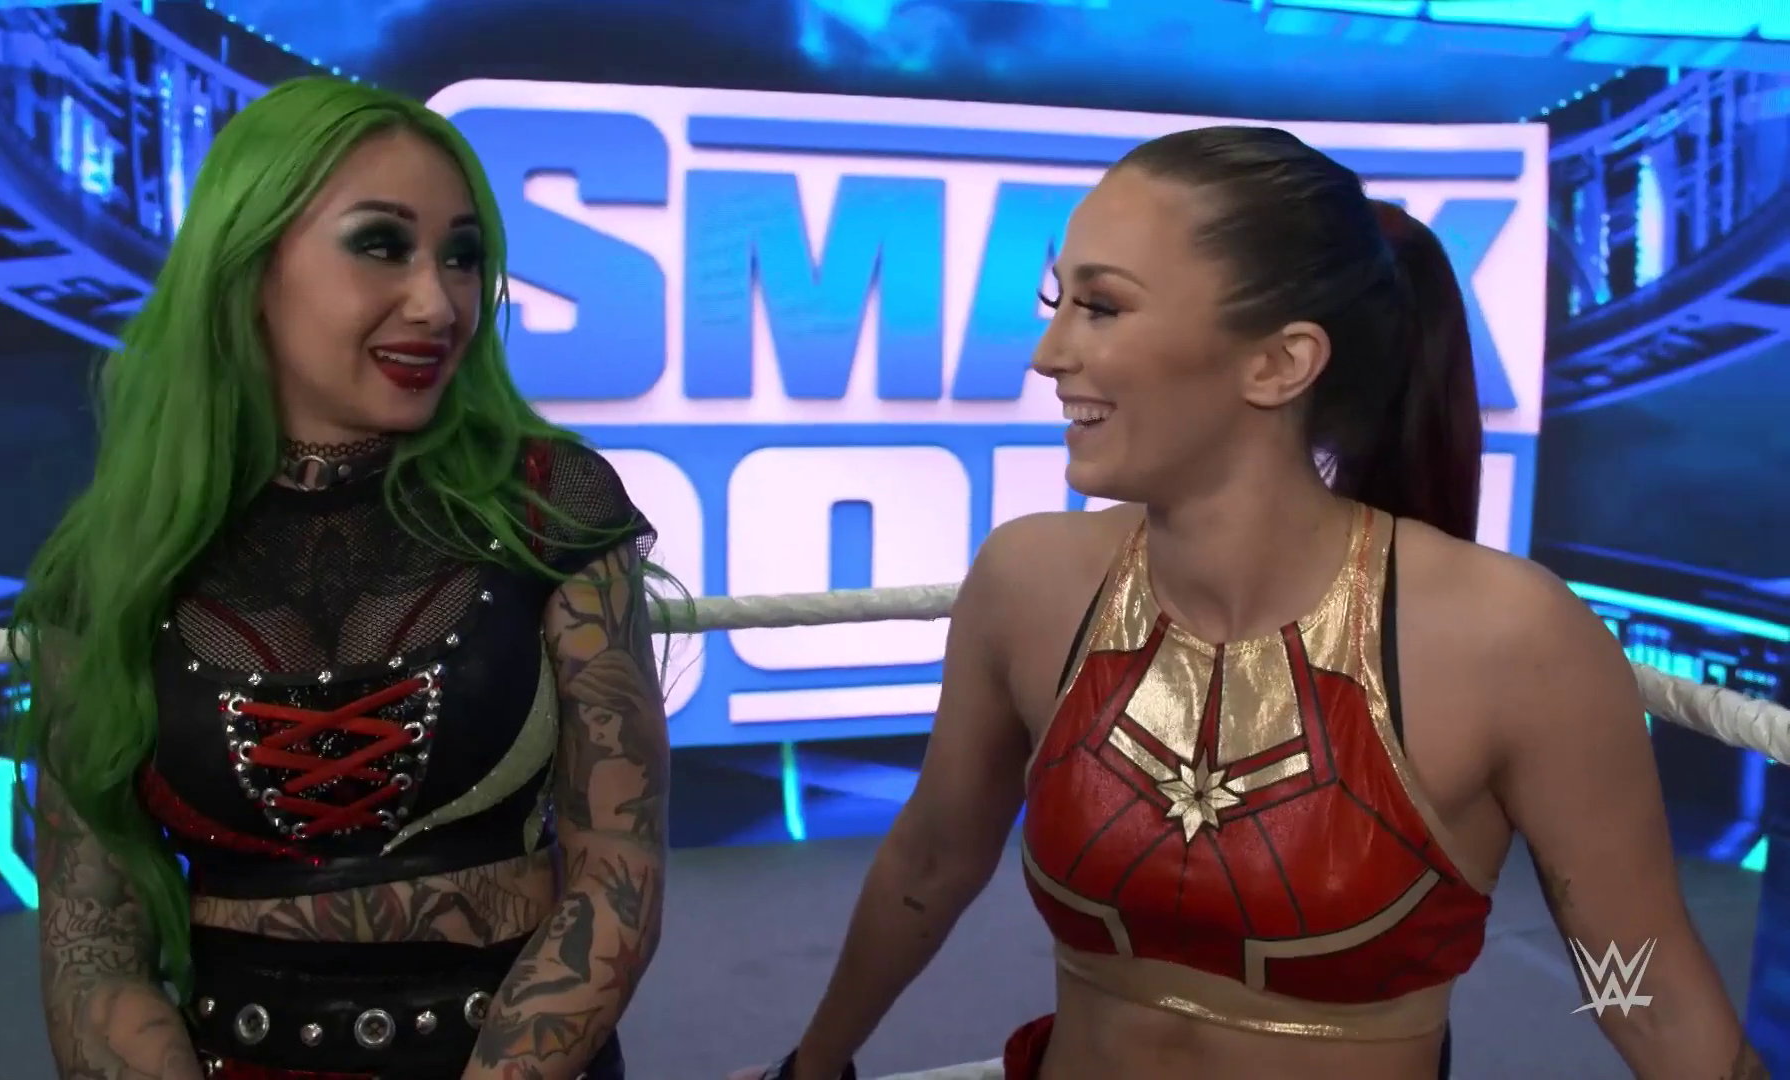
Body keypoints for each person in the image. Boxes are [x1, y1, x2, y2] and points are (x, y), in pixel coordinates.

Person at [735, 127, 1762, 1080]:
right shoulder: (1026, 581)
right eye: (1059, 303)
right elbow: (933, 857)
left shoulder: (1512, 638)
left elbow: (1643, 985)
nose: (1048, 355)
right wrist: (810, 1068)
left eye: (1102, 306)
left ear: (1278, 363)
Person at [10, 77, 673, 1080]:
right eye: (381, 244)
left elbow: (617, 876)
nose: (438, 302)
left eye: (462, 256)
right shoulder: (118, 560)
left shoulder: (549, 502)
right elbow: (89, 944)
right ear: (249, 263)